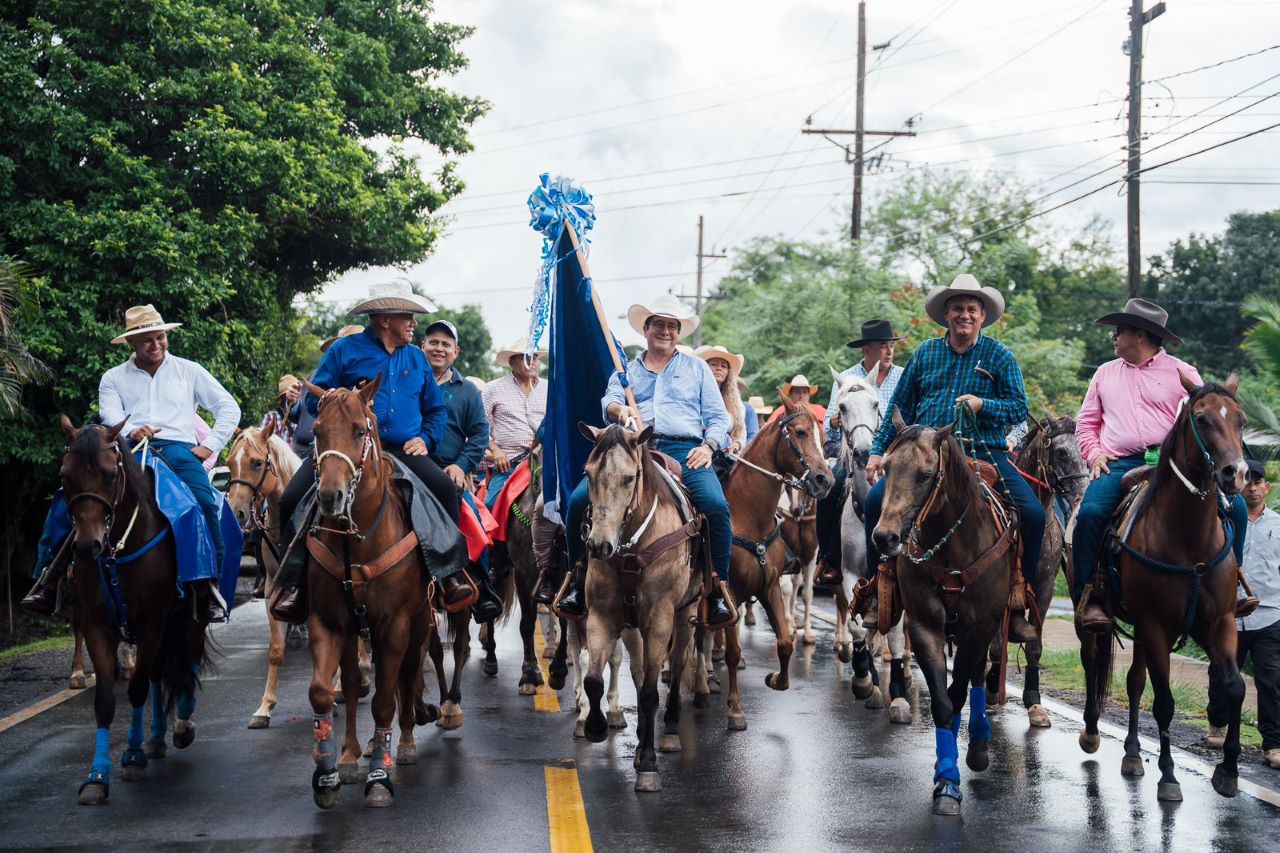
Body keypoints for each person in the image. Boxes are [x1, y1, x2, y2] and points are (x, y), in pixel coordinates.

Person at [24, 304, 241, 623]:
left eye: (160, 337)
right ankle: (48, 579)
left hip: (178, 449)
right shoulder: (113, 377)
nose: (156, 345)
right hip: (127, 449)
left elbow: (228, 407)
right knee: (67, 497)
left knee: (205, 505)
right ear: (131, 343)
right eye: (147, 341)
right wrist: (129, 429)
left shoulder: (189, 370)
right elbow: (110, 415)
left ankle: (208, 588)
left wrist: (209, 447)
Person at [271, 282, 474, 621]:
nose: (413, 323)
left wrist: (426, 438)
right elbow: (310, 398)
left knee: (446, 490)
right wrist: (334, 398)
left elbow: (436, 411)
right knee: (291, 498)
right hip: (346, 445)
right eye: (406, 316)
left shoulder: (416, 359)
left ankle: (450, 575)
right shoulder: (344, 350)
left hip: (403, 447)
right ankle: (295, 585)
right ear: (384, 318)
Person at [864, 274, 1043, 644]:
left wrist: (982, 404)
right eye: (958, 308)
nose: (964, 314)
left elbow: (1019, 409)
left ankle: (1019, 600)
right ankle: (878, 587)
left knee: (1033, 515)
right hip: (924, 454)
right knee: (871, 502)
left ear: (982, 316)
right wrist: (879, 451)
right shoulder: (925, 354)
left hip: (983, 452)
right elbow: (900, 407)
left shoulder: (999, 355)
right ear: (947, 315)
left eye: (971, 309)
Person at [556, 294, 736, 627]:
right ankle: (576, 581)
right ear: (647, 330)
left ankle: (716, 588)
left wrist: (710, 446)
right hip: (634, 446)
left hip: (686, 448)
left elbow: (719, 417)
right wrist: (619, 409)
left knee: (715, 506)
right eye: (658, 325)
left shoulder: (696, 368)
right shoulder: (625, 371)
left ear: (678, 333)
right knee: (580, 500)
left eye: (671, 326)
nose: (665, 331)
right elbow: (608, 401)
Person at [1072, 298, 1247, 631]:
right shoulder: (1104, 373)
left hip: (1176, 467)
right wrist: (1094, 453)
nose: (1114, 338)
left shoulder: (1183, 373)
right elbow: (1087, 422)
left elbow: (1205, 419)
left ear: (1140, 335)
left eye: (1119, 331)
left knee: (1236, 509)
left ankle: (1233, 587)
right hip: (1120, 464)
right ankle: (1090, 596)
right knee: (1091, 513)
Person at [422, 318, 502, 619]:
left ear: (456, 352)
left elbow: (480, 434)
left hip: (449, 470)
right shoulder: (410, 381)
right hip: (407, 464)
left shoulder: (467, 390)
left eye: (445, 344)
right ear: (422, 347)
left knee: (473, 521)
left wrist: (460, 465)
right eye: (433, 342)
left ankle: (483, 587)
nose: (438, 349)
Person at [816, 319, 906, 586]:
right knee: (831, 488)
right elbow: (830, 430)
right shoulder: (845, 378)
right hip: (854, 453)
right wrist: (833, 422)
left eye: (891, 345)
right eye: (882, 346)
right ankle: (830, 558)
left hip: (893, 451)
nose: (889, 351)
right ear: (866, 350)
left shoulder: (902, 377)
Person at [1207, 460, 1280, 769]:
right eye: (1246, 480)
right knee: (1222, 673)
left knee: (1272, 679)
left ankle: (1273, 743)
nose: (1251, 486)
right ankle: (1218, 721)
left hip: (1270, 614)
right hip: (1229, 613)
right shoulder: (1221, 520)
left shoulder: (1278, 524)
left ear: (1267, 487)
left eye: (1257, 481)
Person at [482, 337, 548, 509]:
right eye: (526, 357)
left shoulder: (550, 389)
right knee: (491, 505)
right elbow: (479, 427)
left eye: (534, 358)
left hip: (544, 463)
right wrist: (496, 451)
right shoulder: (492, 389)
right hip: (508, 465)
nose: (531, 362)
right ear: (512, 362)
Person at [290, 325, 363, 460]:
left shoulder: (367, 377)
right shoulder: (314, 376)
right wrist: (293, 403)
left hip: (343, 451)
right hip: (306, 448)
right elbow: (301, 412)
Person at [695, 344, 749, 458]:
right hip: (698, 447)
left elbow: (741, 429)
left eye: (723, 366)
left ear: (727, 372)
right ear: (705, 367)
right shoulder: (693, 393)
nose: (719, 368)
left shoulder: (735, 402)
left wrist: (737, 443)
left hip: (727, 453)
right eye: (713, 364)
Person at [262, 374, 301, 444]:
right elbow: (262, 442)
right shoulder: (270, 417)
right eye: (288, 395)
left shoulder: (306, 416)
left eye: (296, 394)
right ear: (283, 398)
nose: (292, 398)